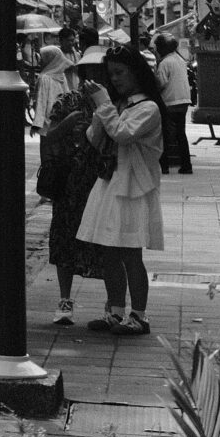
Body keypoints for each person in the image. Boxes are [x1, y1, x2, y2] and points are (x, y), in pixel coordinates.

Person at [75, 46, 166, 335]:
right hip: (111, 179)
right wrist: (102, 108)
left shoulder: (148, 108)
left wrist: (104, 104)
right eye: (111, 74)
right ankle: (115, 310)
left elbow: (123, 135)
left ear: (136, 72)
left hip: (134, 186)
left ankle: (138, 315)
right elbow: (96, 138)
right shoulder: (120, 104)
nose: (115, 79)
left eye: (120, 72)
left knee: (130, 253)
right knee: (109, 251)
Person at [37, 57, 111, 326]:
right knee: (64, 239)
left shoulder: (111, 104)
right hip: (69, 181)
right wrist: (66, 125)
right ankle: (65, 300)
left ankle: (112, 302)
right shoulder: (67, 101)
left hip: (101, 180)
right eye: (88, 74)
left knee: (106, 243)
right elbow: (49, 136)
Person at [155, 33, 195, 174]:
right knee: (180, 135)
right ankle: (186, 165)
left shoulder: (165, 63)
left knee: (164, 135)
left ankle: (164, 166)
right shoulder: (179, 60)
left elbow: (161, 83)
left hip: (170, 102)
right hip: (183, 101)